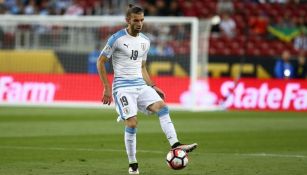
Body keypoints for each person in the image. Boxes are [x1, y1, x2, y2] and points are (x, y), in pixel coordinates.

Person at [96, 4, 197, 174]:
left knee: (163, 107)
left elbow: (142, 67)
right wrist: (106, 87)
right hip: (122, 87)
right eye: (136, 20)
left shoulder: (145, 41)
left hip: (140, 85)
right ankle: (133, 164)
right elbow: (100, 61)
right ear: (128, 20)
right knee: (132, 123)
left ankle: (176, 146)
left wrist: (153, 85)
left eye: (142, 20)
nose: (140, 23)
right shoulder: (116, 39)